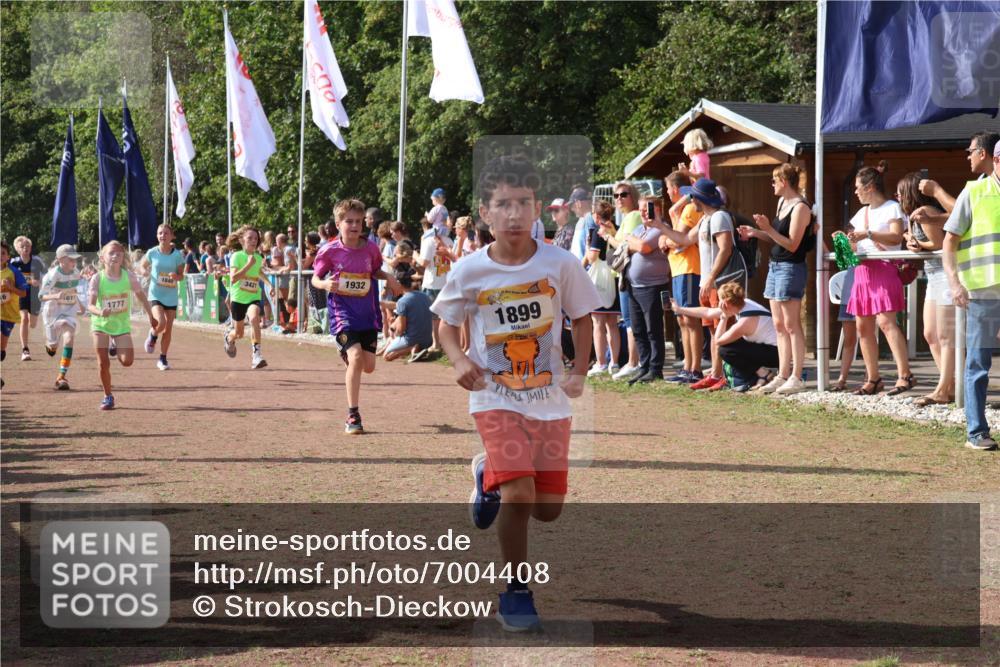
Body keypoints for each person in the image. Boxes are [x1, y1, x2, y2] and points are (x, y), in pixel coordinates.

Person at [431, 153, 599, 632]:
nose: (513, 213)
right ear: (485, 213)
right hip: (494, 396)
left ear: (536, 210)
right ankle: (515, 592)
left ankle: (486, 474)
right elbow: (444, 325)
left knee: (547, 511)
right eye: (502, 204)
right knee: (520, 496)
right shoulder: (469, 270)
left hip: (549, 401)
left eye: (523, 202)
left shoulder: (560, 263)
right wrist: (461, 360)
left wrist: (579, 370)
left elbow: (583, 316)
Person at [312, 199, 402, 434]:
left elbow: (375, 271)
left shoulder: (371, 249)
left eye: (358, 221)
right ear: (338, 223)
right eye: (349, 221)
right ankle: (353, 415)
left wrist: (389, 278)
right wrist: (324, 284)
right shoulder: (329, 251)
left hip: (367, 314)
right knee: (355, 358)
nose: (354, 225)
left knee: (369, 366)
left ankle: (351, 355)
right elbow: (315, 278)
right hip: (342, 314)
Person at [833, 161, 914, 397]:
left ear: (870, 186)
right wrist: (843, 242)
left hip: (884, 268)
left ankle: (904, 375)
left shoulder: (892, 208)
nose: (855, 191)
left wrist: (868, 233)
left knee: (886, 322)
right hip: (862, 271)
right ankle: (873, 378)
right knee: (863, 327)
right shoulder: (862, 213)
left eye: (858, 187)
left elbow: (895, 237)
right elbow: (852, 248)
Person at [942, 140, 1000, 450]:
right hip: (982, 292)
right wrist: (954, 283)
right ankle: (976, 432)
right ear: (997, 160)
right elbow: (949, 242)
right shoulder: (974, 193)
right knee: (979, 364)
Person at [738, 164, 811, 395]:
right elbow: (777, 240)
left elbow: (792, 244)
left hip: (791, 268)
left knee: (791, 324)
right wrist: (755, 233)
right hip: (775, 265)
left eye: (774, 180)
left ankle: (796, 376)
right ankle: (782, 373)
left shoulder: (800, 208)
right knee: (779, 325)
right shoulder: (782, 204)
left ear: (784, 181)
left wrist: (768, 228)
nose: (772, 184)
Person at [900, 172, 952, 406]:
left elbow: (938, 244)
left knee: (944, 335)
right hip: (933, 275)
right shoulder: (912, 217)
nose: (898, 196)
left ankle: (944, 388)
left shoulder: (928, 213)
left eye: (901, 192)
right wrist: (913, 243)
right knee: (930, 334)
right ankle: (949, 384)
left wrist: (917, 245)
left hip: (945, 274)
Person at [87, 240, 157, 410]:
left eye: (119, 253)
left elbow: (141, 296)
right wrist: (99, 311)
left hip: (120, 325)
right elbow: (90, 305)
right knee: (103, 363)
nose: (115, 256)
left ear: (123, 257)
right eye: (111, 253)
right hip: (101, 324)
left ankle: (114, 343)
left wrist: (151, 316)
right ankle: (107, 396)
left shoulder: (129, 277)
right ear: (103, 257)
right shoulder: (97, 278)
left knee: (127, 361)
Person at [687, 178, 743, 391]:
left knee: (723, 327)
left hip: (719, 282)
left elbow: (725, 248)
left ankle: (726, 375)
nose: (690, 199)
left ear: (699, 198)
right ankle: (716, 373)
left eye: (692, 195)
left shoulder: (719, 217)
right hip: (708, 283)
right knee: (713, 331)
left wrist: (710, 277)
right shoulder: (704, 219)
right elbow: (683, 240)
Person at [672, 282, 778, 391]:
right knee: (731, 345)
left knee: (725, 351)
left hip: (775, 354)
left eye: (720, 300)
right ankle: (756, 374)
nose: (719, 303)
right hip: (768, 348)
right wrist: (680, 309)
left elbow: (718, 341)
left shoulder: (745, 321)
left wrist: (724, 317)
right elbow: (708, 312)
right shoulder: (744, 303)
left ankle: (763, 374)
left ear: (726, 303)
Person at [659, 171, 704, 384]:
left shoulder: (689, 209)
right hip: (678, 269)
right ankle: (687, 366)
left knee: (690, 318)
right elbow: (673, 238)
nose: (667, 193)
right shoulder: (678, 211)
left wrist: (666, 240)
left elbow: (679, 240)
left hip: (689, 268)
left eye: (668, 188)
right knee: (681, 319)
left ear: (676, 189)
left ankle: (695, 368)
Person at [622, 194, 671, 384]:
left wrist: (630, 240)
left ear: (657, 210)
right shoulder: (639, 228)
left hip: (653, 286)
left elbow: (643, 247)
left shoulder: (660, 228)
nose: (643, 213)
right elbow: (629, 244)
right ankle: (644, 367)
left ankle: (655, 368)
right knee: (638, 329)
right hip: (633, 286)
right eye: (641, 209)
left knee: (653, 328)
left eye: (647, 209)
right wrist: (631, 240)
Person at [600, 181, 643, 380]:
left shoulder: (634, 216)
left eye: (623, 194)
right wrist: (611, 232)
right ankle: (633, 361)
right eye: (616, 195)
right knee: (628, 320)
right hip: (623, 274)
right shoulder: (627, 217)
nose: (618, 198)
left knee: (630, 321)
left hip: (629, 273)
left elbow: (623, 247)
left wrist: (607, 237)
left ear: (632, 196)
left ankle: (633, 362)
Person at [583, 200, 621, 377]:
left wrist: (587, 244)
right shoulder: (616, 227)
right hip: (614, 278)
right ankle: (615, 362)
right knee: (612, 324)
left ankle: (601, 363)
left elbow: (592, 257)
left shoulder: (597, 231)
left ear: (596, 216)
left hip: (599, 281)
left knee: (598, 323)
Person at [140, 223, 186, 370]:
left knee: (168, 328)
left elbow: (181, 276)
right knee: (161, 323)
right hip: (156, 294)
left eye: (166, 233)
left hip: (171, 295)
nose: (163, 236)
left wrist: (176, 276)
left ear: (172, 236)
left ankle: (163, 359)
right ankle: (153, 335)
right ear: (157, 236)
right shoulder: (152, 252)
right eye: (160, 233)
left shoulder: (177, 255)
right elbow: (142, 265)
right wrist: (144, 272)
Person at [38, 244, 84, 390]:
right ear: (61, 260)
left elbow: (73, 290)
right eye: (71, 259)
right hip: (52, 311)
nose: (74, 262)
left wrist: (80, 305)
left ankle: (61, 377)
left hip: (69, 311)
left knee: (69, 338)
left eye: (75, 259)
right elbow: (41, 296)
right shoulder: (52, 275)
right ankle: (50, 344)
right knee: (52, 348)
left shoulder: (76, 272)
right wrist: (55, 295)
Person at [222, 226, 268, 370]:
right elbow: (234, 278)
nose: (253, 241)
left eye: (256, 238)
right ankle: (229, 338)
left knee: (255, 318)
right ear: (242, 240)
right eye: (250, 238)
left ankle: (256, 356)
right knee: (239, 333)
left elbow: (259, 272)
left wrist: (270, 285)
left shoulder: (259, 258)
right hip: (238, 299)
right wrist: (248, 265)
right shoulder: (236, 256)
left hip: (253, 297)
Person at [920, 131, 1000, 213]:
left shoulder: (979, 186)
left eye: (970, 152)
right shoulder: (981, 181)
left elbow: (961, 213)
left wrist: (936, 191)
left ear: (982, 153)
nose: (968, 157)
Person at [418, 216, 454, 352]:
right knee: (446, 316)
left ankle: (437, 344)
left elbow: (424, 263)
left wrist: (414, 256)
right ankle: (448, 344)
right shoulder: (449, 240)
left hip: (432, 282)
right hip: (447, 281)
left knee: (434, 317)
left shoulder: (428, 241)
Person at [382, 266, 432, 362]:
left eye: (393, 284)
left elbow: (401, 330)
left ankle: (411, 348)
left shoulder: (402, 301)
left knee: (387, 356)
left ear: (399, 284)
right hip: (428, 340)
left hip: (412, 339)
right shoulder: (424, 295)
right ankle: (414, 350)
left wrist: (393, 332)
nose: (392, 287)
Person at [10, 236, 45, 361]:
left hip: (35, 296)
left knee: (33, 324)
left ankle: (32, 320)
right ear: (17, 249)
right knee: (24, 319)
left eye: (28, 246)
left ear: (30, 248)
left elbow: (46, 277)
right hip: (21, 295)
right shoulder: (13, 262)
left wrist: (39, 282)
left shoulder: (37, 261)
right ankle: (25, 349)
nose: (25, 248)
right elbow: (8, 277)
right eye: (22, 247)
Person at [1, 241, 28, 388]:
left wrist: (11, 287)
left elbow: (23, 292)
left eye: (3, 253)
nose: (0, 256)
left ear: (8, 256)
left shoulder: (14, 272)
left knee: (1, 350)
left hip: (9, 315)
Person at [568, 187, 596, 262]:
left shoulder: (589, 219)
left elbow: (590, 250)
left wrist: (580, 269)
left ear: (578, 203)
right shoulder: (582, 220)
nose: (571, 209)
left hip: (584, 271)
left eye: (572, 205)